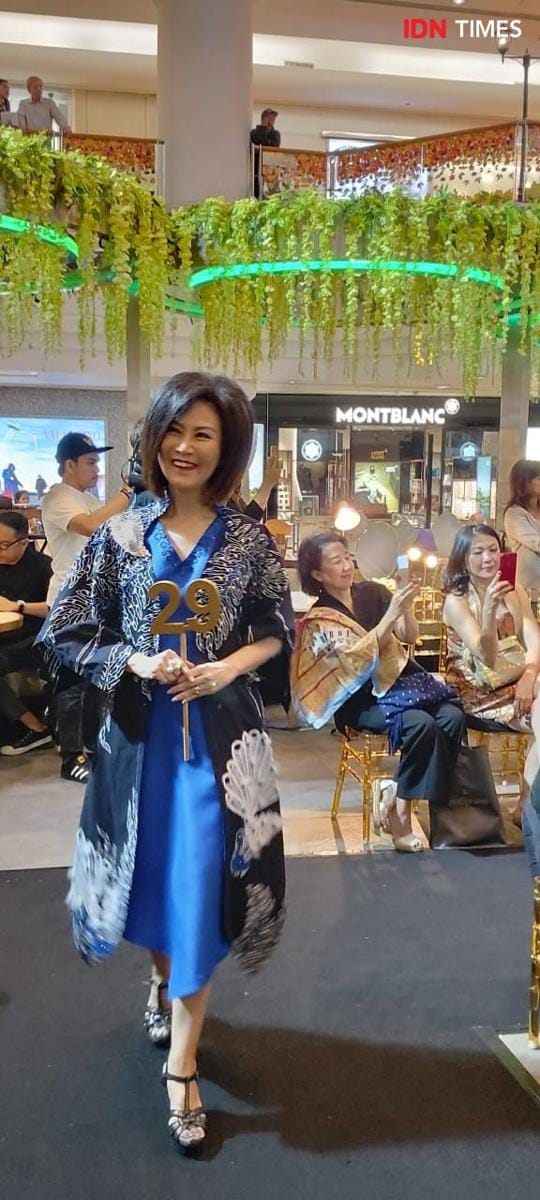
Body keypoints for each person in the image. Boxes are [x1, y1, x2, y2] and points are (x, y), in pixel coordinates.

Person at [37, 370, 290, 1152]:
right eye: (174, 431)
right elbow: (67, 629)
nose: (185, 447)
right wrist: (135, 661)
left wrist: (225, 668)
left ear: (225, 447)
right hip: (138, 748)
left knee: (200, 890)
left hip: (220, 751)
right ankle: (160, 979)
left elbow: (276, 627)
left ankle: (182, 1065)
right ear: (153, 439)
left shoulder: (247, 539)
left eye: (203, 434)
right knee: (150, 888)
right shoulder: (118, 535)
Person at [291, 533, 465, 851]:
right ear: (317, 574)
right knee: (421, 725)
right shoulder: (319, 620)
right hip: (360, 699)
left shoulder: (373, 592)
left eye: (347, 557)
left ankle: (396, 794)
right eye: (336, 561)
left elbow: (408, 636)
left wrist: (404, 606)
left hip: (402, 685)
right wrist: (390, 614)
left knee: (452, 716)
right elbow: (354, 663)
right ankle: (401, 817)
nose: (346, 566)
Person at [41, 432, 132, 782]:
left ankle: (92, 746)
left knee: (95, 679)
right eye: (91, 462)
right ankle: (70, 757)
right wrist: (126, 493)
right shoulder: (57, 497)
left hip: (95, 600)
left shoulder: (86, 498)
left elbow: (114, 530)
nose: (96, 469)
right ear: (69, 464)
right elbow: (92, 526)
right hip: (69, 602)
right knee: (72, 683)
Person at [443, 523, 540, 812]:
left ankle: (527, 809)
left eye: (493, 550)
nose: (487, 558)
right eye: (478, 552)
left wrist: (529, 676)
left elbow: (534, 640)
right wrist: (488, 611)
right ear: (463, 559)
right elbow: (485, 656)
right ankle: (529, 811)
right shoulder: (456, 601)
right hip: (478, 689)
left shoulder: (515, 591)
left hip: (518, 680)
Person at [0, 510, 53, 755]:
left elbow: (55, 609)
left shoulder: (43, 567)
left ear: (23, 542)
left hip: (31, 637)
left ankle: (36, 727)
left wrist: (17, 606)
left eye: (3, 545)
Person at [503, 459, 540, 590]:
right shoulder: (514, 514)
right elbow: (537, 543)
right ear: (524, 482)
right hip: (528, 588)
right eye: (539, 479)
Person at [229, 447, 281, 520]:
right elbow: (246, 523)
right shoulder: (223, 499)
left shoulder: (235, 498)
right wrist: (267, 484)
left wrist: (270, 486)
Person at [250, 107, 281, 198]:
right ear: (263, 119)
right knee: (258, 191)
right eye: (269, 118)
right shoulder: (255, 132)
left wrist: (268, 137)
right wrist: (263, 128)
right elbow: (259, 141)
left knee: (273, 192)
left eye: (273, 119)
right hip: (258, 168)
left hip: (271, 169)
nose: (271, 121)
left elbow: (274, 145)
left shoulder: (276, 134)